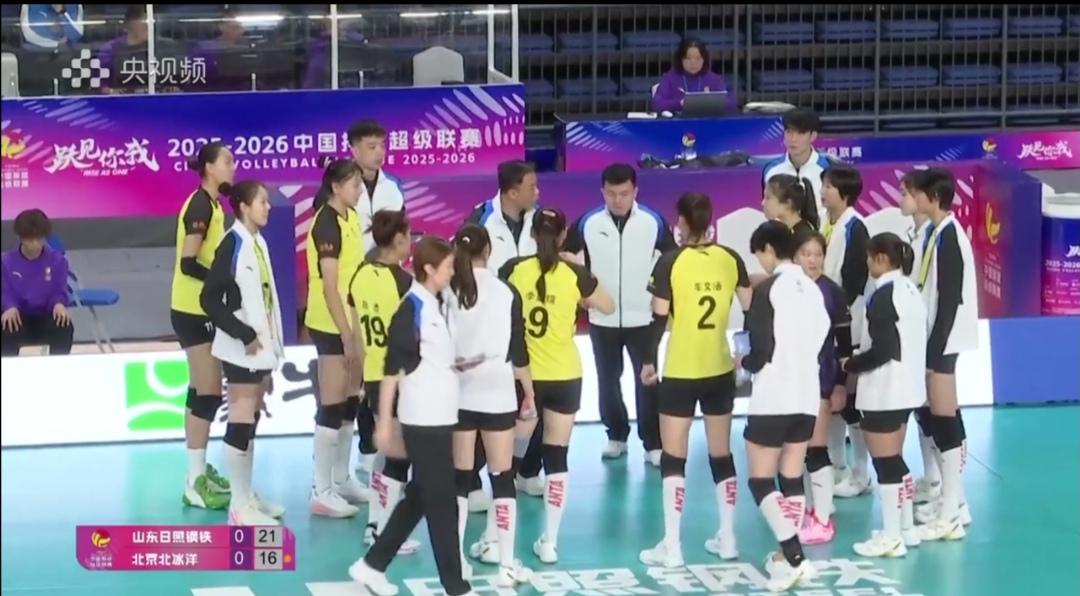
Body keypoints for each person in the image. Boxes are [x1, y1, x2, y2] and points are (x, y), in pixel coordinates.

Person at [348, 237, 471, 596]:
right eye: (447, 267)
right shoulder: (411, 308)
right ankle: (456, 586)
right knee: (442, 502)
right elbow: (392, 371)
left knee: (419, 495)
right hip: (422, 420)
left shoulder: (438, 304)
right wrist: (385, 422)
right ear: (429, 269)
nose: (452, 272)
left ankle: (372, 565)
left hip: (442, 416)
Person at [636, 192, 751, 568]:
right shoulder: (730, 258)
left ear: (682, 222)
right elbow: (751, 309)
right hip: (719, 369)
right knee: (722, 454)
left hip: (681, 371)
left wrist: (648, 361)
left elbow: (657, 320)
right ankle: (729, 537)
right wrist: (745, 355)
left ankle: (672, 546)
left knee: (674, 457)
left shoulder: (670, 261)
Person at [499, 208, 614, 564]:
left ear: (532, 235)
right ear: (563, 235)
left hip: (525, 378)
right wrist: (580, 285)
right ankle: (550, 541)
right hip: (566, 375)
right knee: (557, 456)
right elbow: (608, 306)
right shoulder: (574, 274)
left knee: (508, 461)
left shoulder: (513, 270)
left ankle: (496, 540)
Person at [739, 221, 829, 592]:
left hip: (772, 395)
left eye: (759, 254)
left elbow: (759, 350)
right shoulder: (813, 289)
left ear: (769, 250)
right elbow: (821, 338)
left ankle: (793, 556)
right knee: (791, 477)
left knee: (760, 480)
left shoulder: (769, 289)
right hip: (806, 396)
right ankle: (786, 555)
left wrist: (742, 363)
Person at [563, 163, 675, 464]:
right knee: (607, 379)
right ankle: (616, 435)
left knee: (647, 380)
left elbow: (672, 261)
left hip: (645, 318)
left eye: (624, 193)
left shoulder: (653, 222)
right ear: (602, 191)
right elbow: (565, 259)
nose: (618, 200)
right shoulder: (586, 223)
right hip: (603, 318)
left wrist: (661, 301)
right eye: (611, 194)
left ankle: (653, 442)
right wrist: (582, 295)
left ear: (635, 191)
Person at [448, 223, 536, 587]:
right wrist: (529, 393)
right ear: (489, 251)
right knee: (502, 477)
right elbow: (519, 350)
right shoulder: (506, 291)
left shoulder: (447, 290)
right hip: (498, 393)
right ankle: (506, 566)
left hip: (458, 394)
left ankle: (456, 564)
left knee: (459, 480)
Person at [199, 180, 287, 526]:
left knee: (251, 419)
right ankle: (238, 507)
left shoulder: (258, 241)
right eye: (262, 202)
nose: (268, 207)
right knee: (240, 418)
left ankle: (246, 495)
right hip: (240, 349)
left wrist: (272, 349)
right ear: (245, 208)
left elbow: (266, 299)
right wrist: (243, 333)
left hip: (260, 350)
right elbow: (209, 299)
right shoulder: (231, 244)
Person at [842, 232, 927, 557]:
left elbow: (883, 349)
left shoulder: (882, 296)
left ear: (879, 259)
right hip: (908, 388)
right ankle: (905, 529)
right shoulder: (910, 290)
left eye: (869, 258)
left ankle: (892, 536)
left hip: (885, 389)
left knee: (886, 463)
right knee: (896, 461)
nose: (867, 264)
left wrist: (851, 364)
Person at [465, 159, 543, 506]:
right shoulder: (480, 218)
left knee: (532, 402)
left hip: (534, 327)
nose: (537, 192)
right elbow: (466, 265)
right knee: (487, 407)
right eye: (531, 187)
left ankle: (525, 471)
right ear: (512, 192)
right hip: (491, 329)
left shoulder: (540, 219)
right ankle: (472, 479)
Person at [908, 168, 978, 542]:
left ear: (932, 197)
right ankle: (956, 502)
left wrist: (934, 350)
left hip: (943, 343)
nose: (913, 198)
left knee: (944, 420)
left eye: (917, 193)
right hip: (932, 339)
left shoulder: (950, 236)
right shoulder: (934, 233)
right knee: (932, 416)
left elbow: (950, 299)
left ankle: (952, 511)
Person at [348, 210, 421, 553]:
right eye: (409, 237)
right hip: (400, 380)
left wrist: (364, 379)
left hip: (375, 377)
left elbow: (358, 336)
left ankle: (375, 524)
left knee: (386, 451)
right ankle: (383, 532)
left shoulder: (360, 275)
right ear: (399, 239)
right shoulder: (405, 284)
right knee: (398, 458)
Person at [171, 142, 235, 511]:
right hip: (193, 309)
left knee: (202, 391)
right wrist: (222, 281)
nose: (233, 167)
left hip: (202, 307)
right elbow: (188, 262)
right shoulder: (199, 206)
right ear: (209, 168)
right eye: (227, 161)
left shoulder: (214, 205)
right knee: (208, 392)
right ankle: (193, 480)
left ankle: (197, 470)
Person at [305, 158, 369, 517]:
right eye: (354, 184)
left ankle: (342, 479)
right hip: (330, 323)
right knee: (331, 405)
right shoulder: (325, 224)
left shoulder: (352, 217)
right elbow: (330, 288)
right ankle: (321, 488)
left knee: (349, 403)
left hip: (354, 321)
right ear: (336, 187)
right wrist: (345, 333)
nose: (359, 190)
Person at [791, 231, 852, 545]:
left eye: (817, 254)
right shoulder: (786, 288)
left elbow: (844, 345)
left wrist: (840, 384)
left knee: (816, 448)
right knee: (796, 450)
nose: (812, 260)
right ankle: (805, 509)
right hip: (792, 379)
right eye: (806, 254)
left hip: (822, 377)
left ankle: (823, 518)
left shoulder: (832, 292)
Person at [819, 165, 873, 499]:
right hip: (826, 324)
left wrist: (836, 313)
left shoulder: (855, 228)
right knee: (832, 397)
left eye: (829, 186)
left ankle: (861, 472)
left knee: (851, 401)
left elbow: (853, 281)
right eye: (823, 185)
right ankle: (838, 466)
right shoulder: (826, 224)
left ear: (845, 193)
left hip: (848, 326)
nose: (823, 191)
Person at [900, 177, 941, 506]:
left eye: (905, 194)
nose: (900, 199)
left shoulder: (934, 237)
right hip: (913, 335)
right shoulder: (914, 235)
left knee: (932, 412)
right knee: (920, 409)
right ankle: (930, 476)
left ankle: (940, 480)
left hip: (928, 336)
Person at [1, 209, 74, 356]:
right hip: (18, 316)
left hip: (46, 316)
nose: (35, 244)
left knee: (64, 325)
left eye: (39, 239)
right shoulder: (5, 262)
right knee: (6, 325)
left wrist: (59, 304)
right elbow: (5, 291)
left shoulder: (58, 261)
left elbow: (59, 290)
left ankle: (59, 366)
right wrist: (9, 306)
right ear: (20, 237)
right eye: (29, 239)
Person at [762, 108, 832, 223]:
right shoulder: (771, 170)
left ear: (813, 136)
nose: (793, 139)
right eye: (789, 132)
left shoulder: (828, 168)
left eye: (800, 133)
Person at [349, 120, 406, 251]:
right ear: (355, 151)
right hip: (352, 262)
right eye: (372, 147)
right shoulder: (341, 187)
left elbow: (401, 227)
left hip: (388, 262)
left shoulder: (394, 185)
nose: (380, 152)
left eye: (382, 146)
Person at [652, 38, 730, 113]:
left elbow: (731, 104)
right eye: (688, 58)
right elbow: (657, 104)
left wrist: (712, 102)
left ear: (704, 60)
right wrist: (679, 103)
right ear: (681, 59)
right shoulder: (670, 78)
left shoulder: (713, 79)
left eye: (698, 58)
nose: (693, 62)